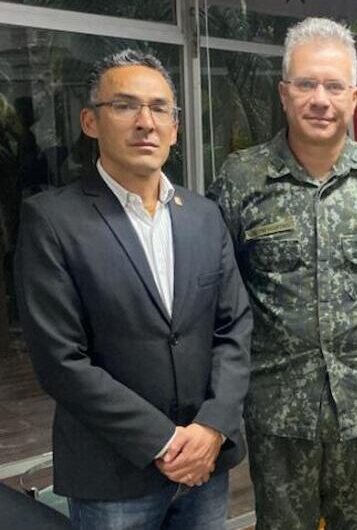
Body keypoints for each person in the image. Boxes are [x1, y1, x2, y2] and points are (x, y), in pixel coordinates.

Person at [15, 49, 253, 529]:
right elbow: (60, 360)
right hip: (112, 474)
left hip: (207, 463)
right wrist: (164, 443)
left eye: (160, 108)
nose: (146, 122)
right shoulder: (53, 220)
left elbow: (234, 328)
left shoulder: (204, 216)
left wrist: (210, 426)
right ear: (90, 121)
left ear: (175, 128)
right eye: (124, 105)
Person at [208, 17, 357, 530]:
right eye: (306, 84)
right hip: (278, 411)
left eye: (334, 85)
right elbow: (220, 298)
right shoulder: (241, 179)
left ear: (354, 96)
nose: (320, 99)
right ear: (284, 92)